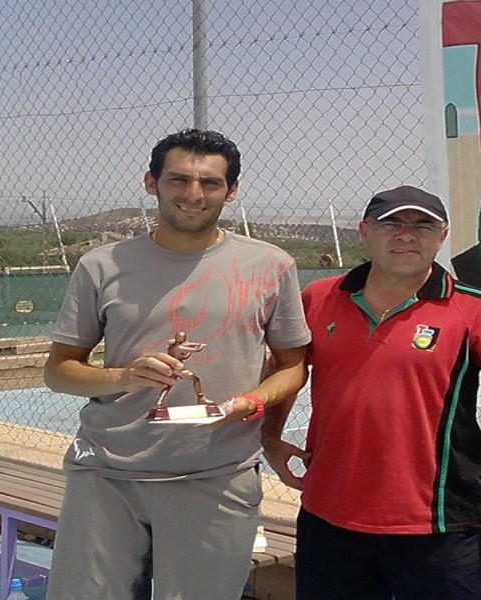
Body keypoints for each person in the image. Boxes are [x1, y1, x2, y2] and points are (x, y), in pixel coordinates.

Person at [43, 128, 311, 600]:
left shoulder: (271, 266)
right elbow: (59, 370)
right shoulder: (101, 265)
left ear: (232, 190)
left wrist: (251, 403)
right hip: (105, 475)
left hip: (215, 476)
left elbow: (294, 367)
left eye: (210, 182)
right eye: (179, 179)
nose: (193, 194)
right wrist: (125, 376)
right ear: (152, 183)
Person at [263, 185, 481, 600]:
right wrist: (270, 436)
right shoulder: (319, 298)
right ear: (364, 231)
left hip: (439, 525)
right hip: (328, 518)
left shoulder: (476, 308)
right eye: (391, 223)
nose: (406, 234)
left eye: (423, 225)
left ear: (442, 235)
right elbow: (288, 369)